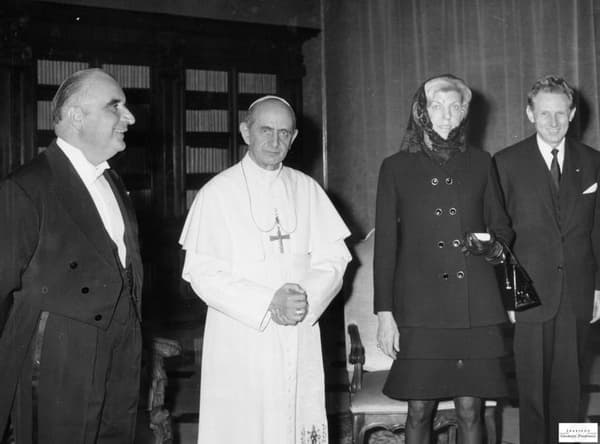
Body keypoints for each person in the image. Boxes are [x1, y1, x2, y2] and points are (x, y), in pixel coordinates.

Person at [179, 95, 351, 444]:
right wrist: (268, 302)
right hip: (241, 334)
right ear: (246, 131)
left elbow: (335, 259)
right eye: (266, 130)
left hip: (299, 327)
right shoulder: (217, 193)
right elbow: (201, 271)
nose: (275, 141)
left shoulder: (308, 189)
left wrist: (303, 299)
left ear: (295, 137)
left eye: (284, 133)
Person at [0, 68, 143, 443]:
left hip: (121, 345)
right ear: (77, 116)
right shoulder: (26, 187)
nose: (130, 118)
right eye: (116, 107)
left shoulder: (111, 180)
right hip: (58, 359)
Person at [374, 74, 509, 444]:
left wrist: (489, 244)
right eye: (437, 106)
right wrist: (385, 314)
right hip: (420, 310)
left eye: (455, 107)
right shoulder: (396, 167)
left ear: (465, 112)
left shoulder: (482, 162)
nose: (446, 116)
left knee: (471, 411)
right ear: (422, 111)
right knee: (419, 410)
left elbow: (502, 227)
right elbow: (386, 245)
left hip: (474, 308)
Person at [487, 74, 600, 444]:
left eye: (561, 113)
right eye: (545, 113)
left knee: (573, 391)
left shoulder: (594, 161)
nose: (554, 122)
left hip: (579, 292)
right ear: (530, 114)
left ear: (572, 113)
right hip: (528, 292)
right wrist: (509, 295)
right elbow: (499, 232)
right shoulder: (505, 163)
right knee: (532, 393)